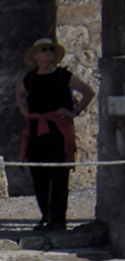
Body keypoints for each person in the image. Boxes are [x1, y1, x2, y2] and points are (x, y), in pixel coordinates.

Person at [15, 38, 95, 232]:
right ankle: (46, 217)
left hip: (57, 131)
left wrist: (75, 112)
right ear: (36, 55)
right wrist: (26, 113)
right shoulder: (31, 77)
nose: (48, 52)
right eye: (44, 50)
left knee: (59, 176)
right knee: (39, 175)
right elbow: (19, 94)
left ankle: (59, 220)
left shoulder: (63, 76)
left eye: (51, 49)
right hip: (36, 131)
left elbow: (88, 92)